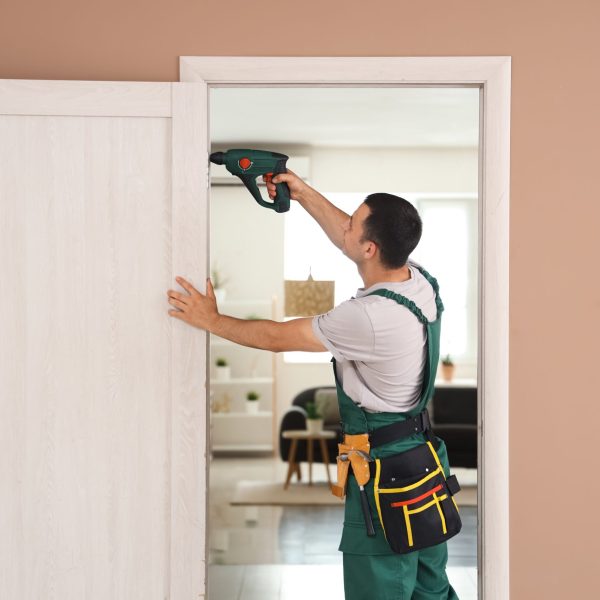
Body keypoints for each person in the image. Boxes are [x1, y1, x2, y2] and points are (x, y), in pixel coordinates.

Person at [166, 171, 459, 600]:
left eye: (353, 223)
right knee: (430, 592)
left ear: (370, 247)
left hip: (383, 475)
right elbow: (350, 240)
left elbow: (276, 337)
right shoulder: (418, 281)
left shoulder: (368, 317)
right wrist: (302, 193)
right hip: (425, 464)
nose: (346, 226)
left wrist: (211, 319)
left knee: (381, 591)